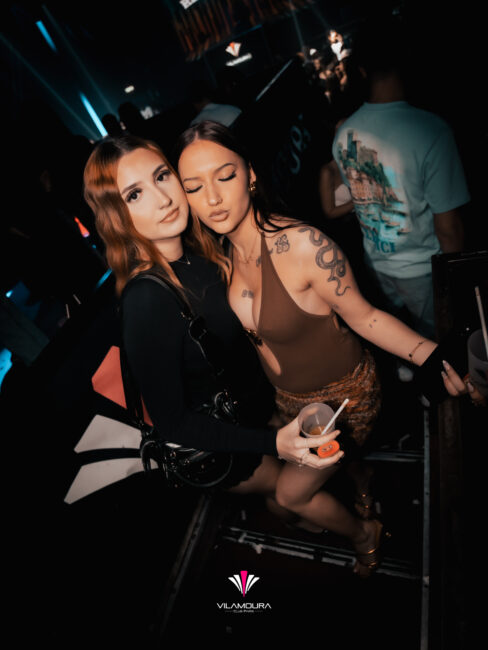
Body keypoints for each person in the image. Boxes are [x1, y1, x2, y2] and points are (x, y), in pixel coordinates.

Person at [175, 120, 471, 576]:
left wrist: (441, 359)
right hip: (288, 399)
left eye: (225, 176)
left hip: (345, 397)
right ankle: (362, 476)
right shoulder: (222, 253)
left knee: (289, 498)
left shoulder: (303, 246)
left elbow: (367, 317)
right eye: (194, 187)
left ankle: (365, 533)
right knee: (298, 488)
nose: (212, 198)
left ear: (250, 174)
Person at [82, 134, 350, 555]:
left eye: (162, 176)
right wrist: (271, 443)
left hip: (263, 411)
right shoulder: (146, 299)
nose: (163, 199)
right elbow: (173, 423)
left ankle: (313, 519)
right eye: (135, 194)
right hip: (229, 442)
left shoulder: (200, 250)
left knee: (293, 497)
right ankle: (365, 537)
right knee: (288, 494)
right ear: (117, 216)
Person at [333, 17, 470, 339]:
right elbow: (449, 228)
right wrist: (458, 280)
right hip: (424, 270)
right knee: (439, 344)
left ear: (362, 70)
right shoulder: (430, 131)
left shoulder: (343, 134)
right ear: (405, 61)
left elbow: (352, 197)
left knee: (401, 337)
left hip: (376, 265)